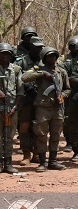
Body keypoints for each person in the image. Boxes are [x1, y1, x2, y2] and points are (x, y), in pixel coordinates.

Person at [22, 47, 69, 172]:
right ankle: (42, 162)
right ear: (44, 58)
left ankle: (53, 161)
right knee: (41, 135)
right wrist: (42, 73)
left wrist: (62, 96)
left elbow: (68, 89)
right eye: (49, 56)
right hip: (42, 107)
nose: (52, 58)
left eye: (54, 56)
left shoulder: (61, 72)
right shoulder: (39, 69)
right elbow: (24, 77)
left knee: (55, 135)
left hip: (57, 107)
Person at [16, 35, 44, 166]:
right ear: (30, 47)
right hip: (26, 99)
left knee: (39, 127)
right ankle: (26, 154)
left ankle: (37, 154)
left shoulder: (44, 62)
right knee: (24, 127)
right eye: (36, 48)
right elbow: (16, 77)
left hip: (41, 100)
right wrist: (24, 85)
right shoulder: (21, 61)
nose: (38, 51)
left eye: (40, 48)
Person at [0, 43, 23, 174]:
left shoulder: (16, 69)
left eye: (7, 54)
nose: (5, 56)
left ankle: (8, 163)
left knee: (9, 136)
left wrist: (15, 106)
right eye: (2, 53)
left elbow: (20, 91)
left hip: (11, 109)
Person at [59, 35, 78, 152]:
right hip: (69, 92)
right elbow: (61, 74)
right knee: (68, 118)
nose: (75, 49)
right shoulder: (63, 59)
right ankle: (69, 141)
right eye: (73, 46)